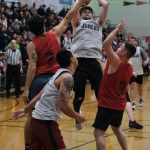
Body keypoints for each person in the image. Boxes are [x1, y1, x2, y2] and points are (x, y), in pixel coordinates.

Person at [22, 0, 91, 149]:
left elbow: (32, 67)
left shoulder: (31, 44)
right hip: (56, 78)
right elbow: (67, 18)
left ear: (31, 30)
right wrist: (79, 3)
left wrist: (26, 88)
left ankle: (28, 145)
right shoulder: (54, 33)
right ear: (44, 24)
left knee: (32, 116)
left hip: (40, 79)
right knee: (52, 113)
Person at [12, 50, 87, 150]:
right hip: (45, 121)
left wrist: (25, 109)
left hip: (37, 119)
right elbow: (63, 105)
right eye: (75, 55)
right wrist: (77, 117)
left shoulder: (58, 73)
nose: (77, 57)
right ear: (72, 59)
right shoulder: (67, 78)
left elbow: (40, 95)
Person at [93, 20, 136, 150]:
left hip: (108, 104)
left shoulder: (117, 62)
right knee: (116, 129)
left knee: (98, 133)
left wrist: (117, 29)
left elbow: (106, 44)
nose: (117, 49)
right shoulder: (129, 66)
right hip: (119, 104)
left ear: (124, 53)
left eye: (120, 48)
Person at [70, 0, 109, 130]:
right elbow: (74, 11)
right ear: (81, 15)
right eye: (84, 11)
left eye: (89, 11)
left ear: (92, 15)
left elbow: (106, 6)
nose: (87, 12)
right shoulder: (77, 23)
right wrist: (79, 3)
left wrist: (101, 2)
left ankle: (102, 119)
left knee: (100, 92)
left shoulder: (98, 24)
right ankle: (77, 115)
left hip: (94, 60)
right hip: (79, 61)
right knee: (79, 93)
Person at [129, 37, 149, 109]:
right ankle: (133, 102)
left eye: (133, 41)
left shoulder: (139, 49)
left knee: (140, 87)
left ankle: (140, 98)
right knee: (132, 86)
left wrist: (145, 62)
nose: (132, 42)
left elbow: (147, 58)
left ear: (136, 42)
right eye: (130, 41)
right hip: (131, 72)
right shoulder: (127, 50)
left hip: (139, 71)